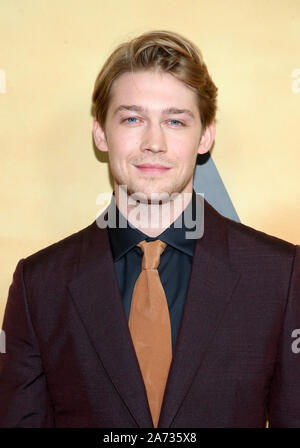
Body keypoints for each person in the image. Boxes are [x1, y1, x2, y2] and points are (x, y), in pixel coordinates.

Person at [0, 29, 299, 428]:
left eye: (175, 121)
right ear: (101, 133)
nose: (153, 142)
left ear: (206, 135)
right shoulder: (40, 285)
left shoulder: (281, 275)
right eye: (133, 118)